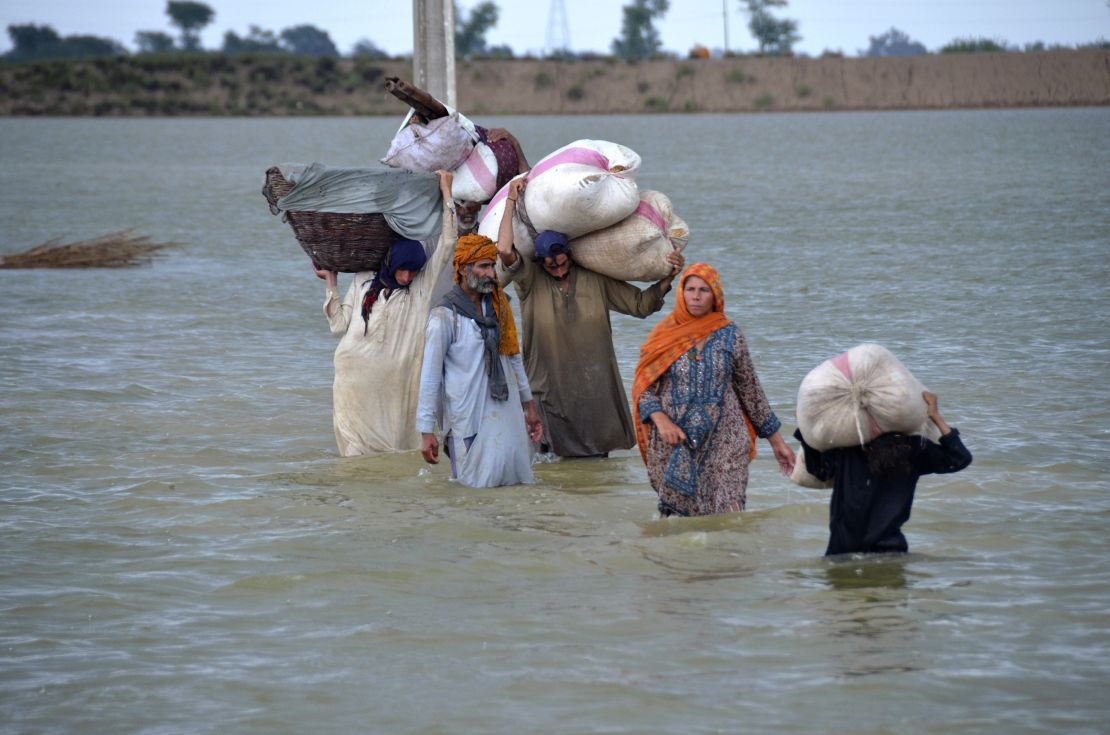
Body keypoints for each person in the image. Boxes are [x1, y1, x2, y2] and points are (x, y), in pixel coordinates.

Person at [495, 177, 685, 458]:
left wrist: (669, 276)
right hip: (547, 388)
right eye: (551, 266)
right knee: (547, 461)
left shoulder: (595, 279)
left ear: (570, 256)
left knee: (595, 460)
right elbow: (503, 250)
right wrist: (511, 200)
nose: (558, 270)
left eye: (562, 263)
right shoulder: (530, 280)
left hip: (593, 390)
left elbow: (641, 305)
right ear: (540, 263)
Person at [632, 263, 795, 517]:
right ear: (681, 294)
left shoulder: (730, 336)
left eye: (704, 290)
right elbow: (643, 390)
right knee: (679, 528)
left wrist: (777, 442)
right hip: (676, 442)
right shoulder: (663, 337)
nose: (696, 296)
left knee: (730, 517)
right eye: (691, 289)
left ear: (715, 296)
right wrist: (661, 420)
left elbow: (751, 392)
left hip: (726, 441)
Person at [314, 170, 458, 456]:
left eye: (413, 271)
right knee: (355, 455)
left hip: (396, 387)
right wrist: (331, 282)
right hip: (353, 382)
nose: (407, 276)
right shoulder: (364, 281)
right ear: (391, 264)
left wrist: (447, 194)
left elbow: (448, 244)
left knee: (397, 451)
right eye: (403, 269)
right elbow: (339, 326)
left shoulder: (419, 290)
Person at [416, 234, 544, 488]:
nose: (491, 274)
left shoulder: (500, 308)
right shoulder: (444, 317)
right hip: (467, 420)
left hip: (506, 414)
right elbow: (430, 377)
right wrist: (426, 431)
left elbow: (514, 358)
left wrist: (529, 407)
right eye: (483, 266)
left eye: (492, 266)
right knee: (472, 493)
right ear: (463, 270)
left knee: (513, 485)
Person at [794, 391, 972, 556]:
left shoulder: (847, 448)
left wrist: (806, 428)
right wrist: (935, 416)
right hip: (891, 552)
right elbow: (959, 458)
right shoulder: (913, 449)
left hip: (843, 552)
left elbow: (820, 471)